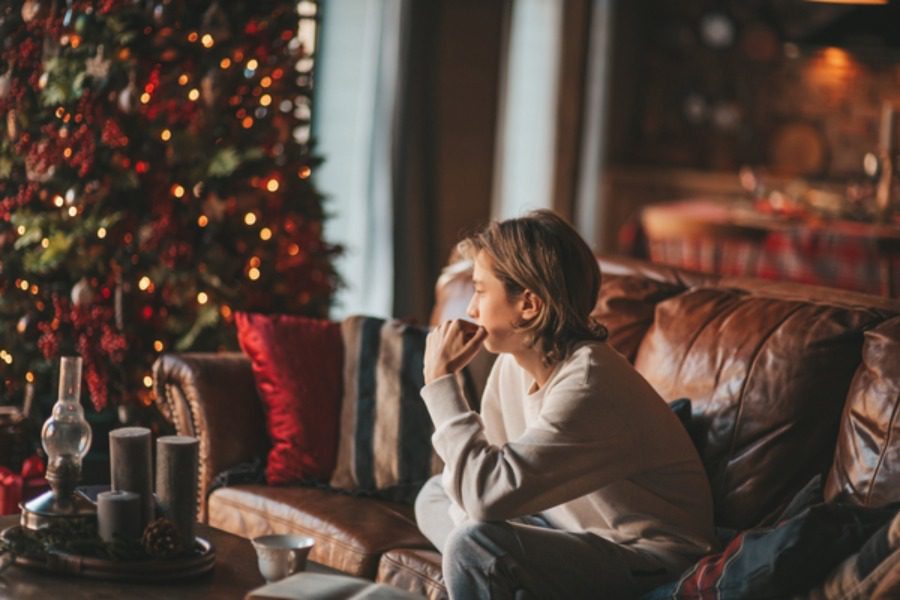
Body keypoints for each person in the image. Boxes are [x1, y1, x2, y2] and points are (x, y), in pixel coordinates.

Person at [415, 210, 716, 599]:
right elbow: (482, 479)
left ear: (529, 306)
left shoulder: (591, 384)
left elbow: (484, 496)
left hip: (649, 558)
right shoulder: (513, 363)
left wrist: (440, 383)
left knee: (473, 545)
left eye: (480, 289)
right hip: (561, 524)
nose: (470, 309)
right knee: (433, 494)